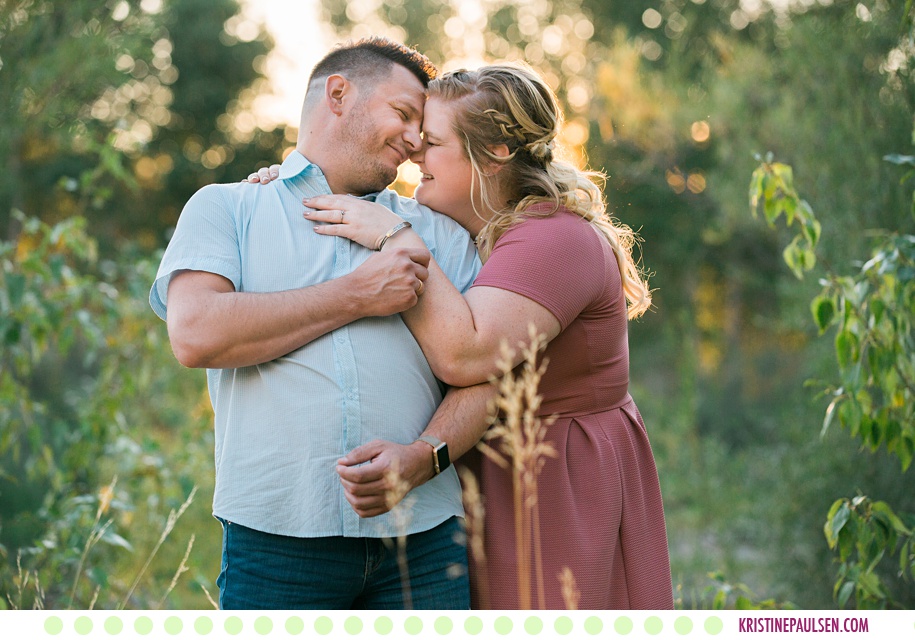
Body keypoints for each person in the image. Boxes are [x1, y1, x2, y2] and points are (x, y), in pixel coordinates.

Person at [265, 62, 675, 609]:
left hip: (558, 485)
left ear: (498, 150)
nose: (413, 153)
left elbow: (464, 355)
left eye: (432, 142)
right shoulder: (475, 231)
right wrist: (288, 185)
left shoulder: (556, 238)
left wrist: (394, 237)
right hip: (484, 482)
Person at [149, 36, 495, 609]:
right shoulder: (226, 208)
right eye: (404, 114)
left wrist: (422, 458)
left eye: (423, 127)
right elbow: (195, 333)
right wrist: (356, 295)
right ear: (339, 94)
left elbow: (485, 372)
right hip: (276, 543)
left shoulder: (439, 232)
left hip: (426, 542)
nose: (415, 142)